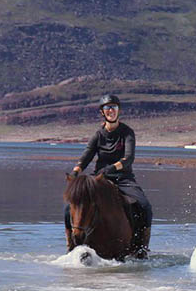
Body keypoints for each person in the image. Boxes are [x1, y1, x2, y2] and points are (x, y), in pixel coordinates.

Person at [66, 94, 154, 255]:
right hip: (99, 179)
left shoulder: (127, 133)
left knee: (144, 206)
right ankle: (71, 245)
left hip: (123, 178)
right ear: (102, 112)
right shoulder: (98, 135)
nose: (111, 110)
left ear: (119, 110)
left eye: (114, 107)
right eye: (107, 108)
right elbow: (86, 156)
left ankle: (141, 248)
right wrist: (75, 172)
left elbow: (128, 158)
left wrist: (111, 168)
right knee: (70, 206)